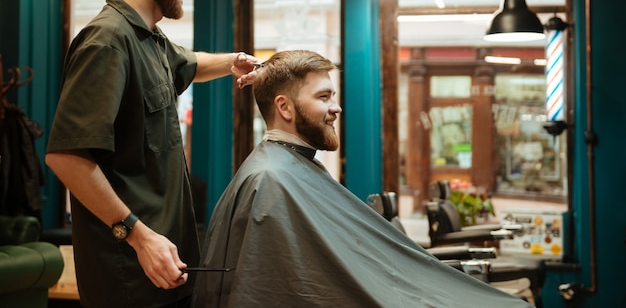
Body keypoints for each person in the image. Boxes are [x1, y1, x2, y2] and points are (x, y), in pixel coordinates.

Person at [191, 50, 531, 308]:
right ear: (285, 107)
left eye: (333, 97)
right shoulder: (271, 180)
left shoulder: (285, 170)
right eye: (324, 97)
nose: (336, 108)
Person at [45, 0, 260, 308]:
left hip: (165, 269)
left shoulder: (150, 39)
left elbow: (189, 62)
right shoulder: (107, 42)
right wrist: (139, 236)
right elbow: (66, 157)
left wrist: (236, 61)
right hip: (130, 277)